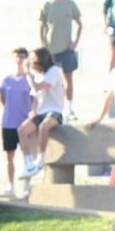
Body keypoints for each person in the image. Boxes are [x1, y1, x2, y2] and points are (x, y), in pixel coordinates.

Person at [18, 48, 67, 180]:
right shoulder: (38, 75)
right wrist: (32, 111)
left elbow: (38, 87)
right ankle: (29, 162)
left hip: (54, 111)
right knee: (22, 130)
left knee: (43, 127)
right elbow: (34, 96)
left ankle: (41, 158)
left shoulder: (54, 71)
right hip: (40, 111)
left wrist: (27, 73)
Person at [39, 0, 84, 119]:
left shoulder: (70, 4)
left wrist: (75, 42)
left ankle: (69, 109)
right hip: (51, 51)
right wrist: (43, 46)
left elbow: (79, 23)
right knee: (49, 80)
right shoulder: (46, 5)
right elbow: (41, 27)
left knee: (68, 79)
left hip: (66, 49)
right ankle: (49, 109)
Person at [0, 47, 34, 197]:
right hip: (8, 123)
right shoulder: (7, 79)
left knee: (27, 155)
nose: (19, 60)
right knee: (9, 156)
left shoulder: (30, 79)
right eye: (17, 57)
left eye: (22, 57)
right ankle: (10, 186)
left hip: (25, 124)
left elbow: (34, 98)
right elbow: (2, 98)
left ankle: (27, 186)